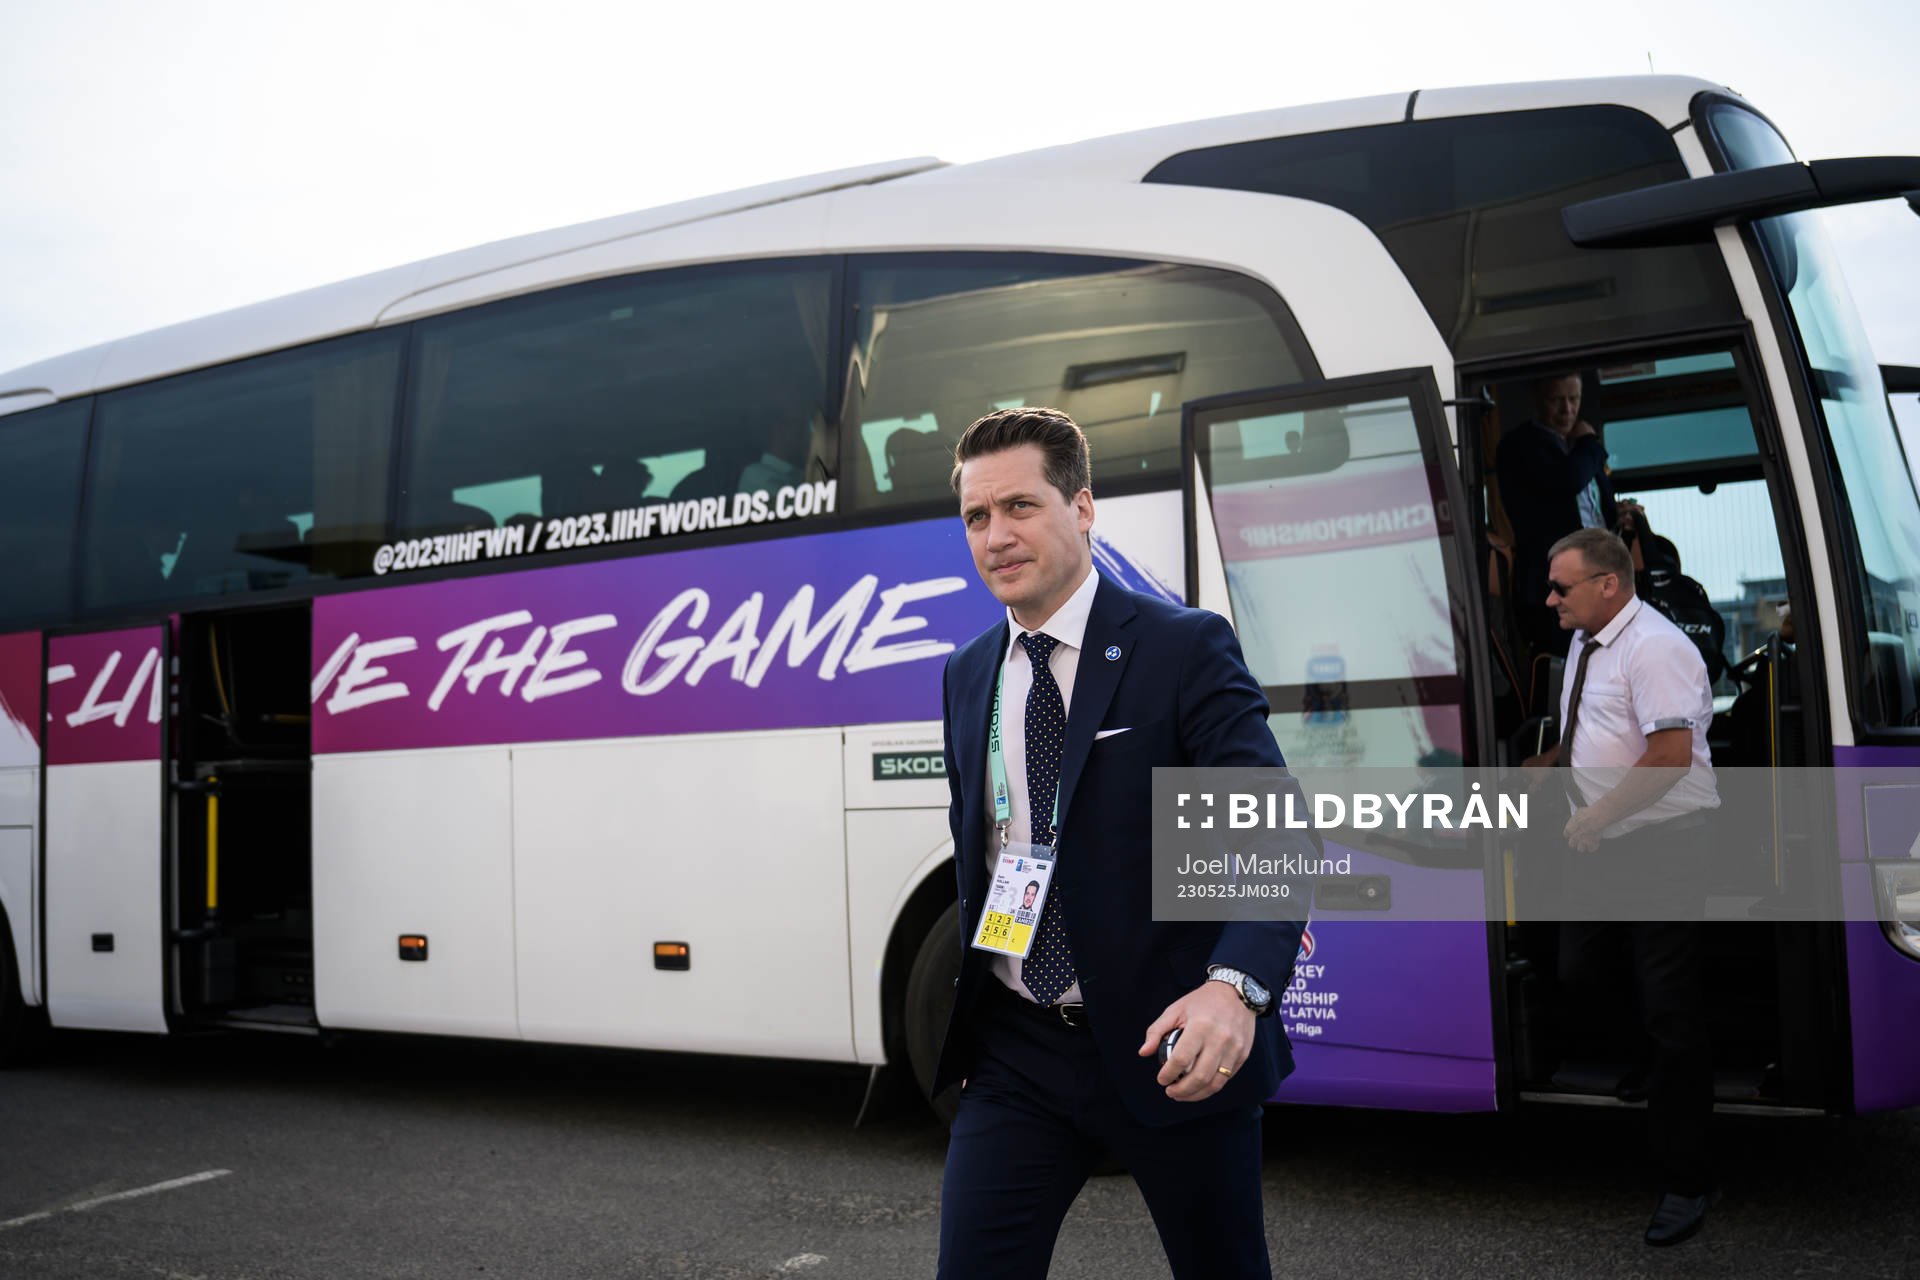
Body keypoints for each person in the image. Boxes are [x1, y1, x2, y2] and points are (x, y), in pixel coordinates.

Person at [933, 406, 1310, 1280]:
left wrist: (1236, 987)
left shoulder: (1181, 647)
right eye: (977, 517)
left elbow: (1272, 830)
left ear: (1084, 508)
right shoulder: (965, 675)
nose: (997, 535)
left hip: (1169, 1042)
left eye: (1020, 506)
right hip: (1018, 1048)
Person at [1524, 527, 1721, 1247]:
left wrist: (1598, 817)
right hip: (1600, 837)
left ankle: (1686, 1179)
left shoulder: (1657, 648)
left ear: (1609, 583)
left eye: (1561, 587)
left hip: (1661, 843)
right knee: (1579, 971)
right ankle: (1650, 1064)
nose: (1549, 600)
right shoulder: (1587, 635)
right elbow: (1591, 730)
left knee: (1672, 1009)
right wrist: (1545, 766)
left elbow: (1669, 757)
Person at [1497, 372, 1643, 656]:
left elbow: (1593, 506)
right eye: (1557, 400)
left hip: (1601, 573)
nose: (1567, 409)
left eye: (1574, 399)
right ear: (1537, 399)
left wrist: (1619, 514)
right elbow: (1567, 481)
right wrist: (1589, 441)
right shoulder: (1521, 444)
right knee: (1569, 665)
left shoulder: (1578, 447)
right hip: (1553, 581)